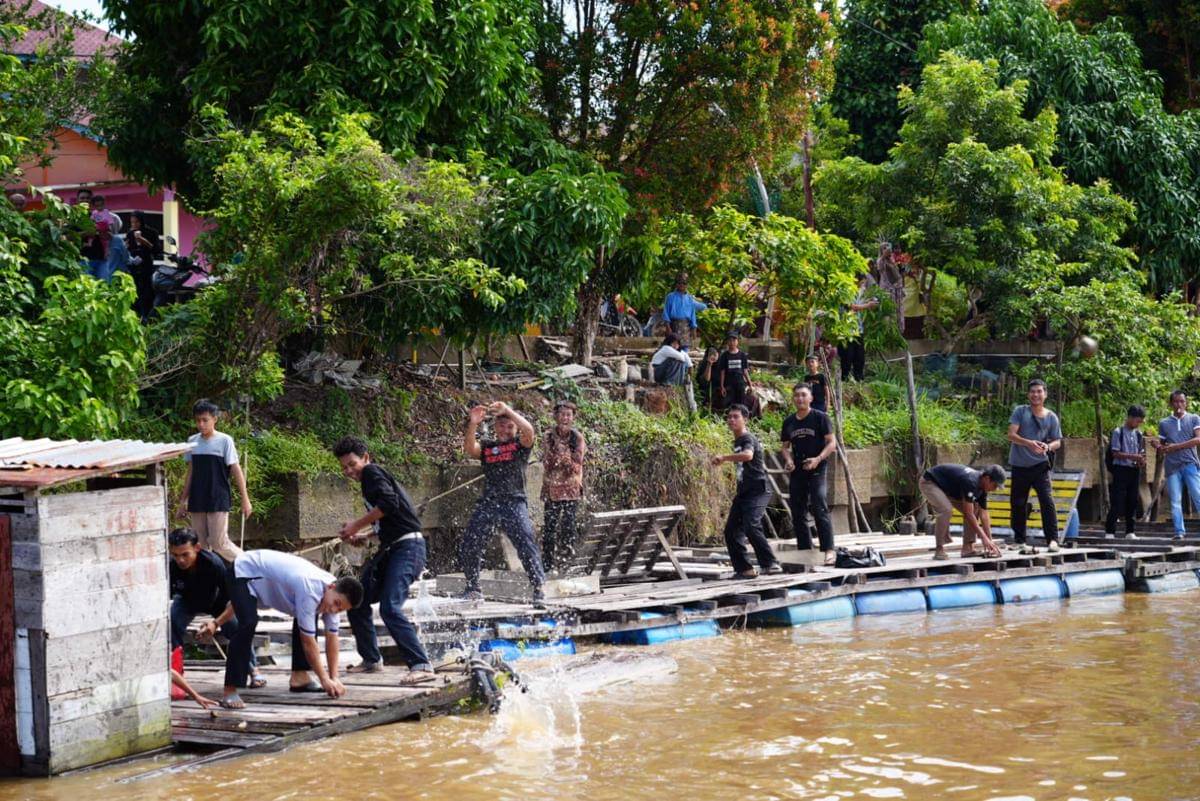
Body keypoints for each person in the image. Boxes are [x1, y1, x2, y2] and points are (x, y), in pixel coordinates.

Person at [333, 436, 433, 676]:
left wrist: (356, 525)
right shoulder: (370, 479)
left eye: (352, 464)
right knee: (356, 600)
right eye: (344, 467)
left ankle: (421, 665)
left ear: (366, 458)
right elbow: (393, 518)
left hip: (408, 549)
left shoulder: (371, 473)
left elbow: (390, 503)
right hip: (391, 548)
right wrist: (366, 535)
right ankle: (371, 660)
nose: (349, 470)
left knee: (390, 608)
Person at [221, 549, 362, 709]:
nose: (334, 610)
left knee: (308, 617)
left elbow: (332, 637)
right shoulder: (310, 589)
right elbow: (308, 642)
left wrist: (334, 678)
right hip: (244, 571)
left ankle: (300, 678)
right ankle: (230, 691)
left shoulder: (332, 596)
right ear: (331, 587)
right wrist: (324, 680)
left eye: (340, 609)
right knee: (248, 623)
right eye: (336, 604)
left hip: (266, 582)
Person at [460, 401, 546, 603]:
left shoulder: (520, 446)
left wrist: (508, 411)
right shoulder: (489, 447)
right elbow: (470, 449)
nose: (505, 429)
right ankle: (473, 587)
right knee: (471, 542)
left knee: (525, 543)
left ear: (515, 429)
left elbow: (529, 431)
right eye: (501, 425)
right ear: (495, 427)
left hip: (514, 502)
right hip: (489, 502)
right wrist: (473, 423)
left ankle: (538, 588)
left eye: (510, 426)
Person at [167, 527, 263, 687]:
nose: (181, 560)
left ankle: (253, 669)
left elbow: (232, 598)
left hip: (217, 601)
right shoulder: (170, 566)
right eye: (176, 555)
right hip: (187, 601)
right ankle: (177, 672)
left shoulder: (213, 564)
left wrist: (216, 622)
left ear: (197, 548)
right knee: (172, 624)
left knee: (236, 627)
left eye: (185, 555)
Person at [179, 399, 254, 563]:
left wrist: (245, 498)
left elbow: (236, 469)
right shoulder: (192, 441)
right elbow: (190, 472)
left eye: (205, 420)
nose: (201, 424)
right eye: (198, 420)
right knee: (200, 545)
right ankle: (210, 580)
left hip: (218, 497)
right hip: (198, 498)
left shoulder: (225, 440)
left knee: (219, 542)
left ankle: (250, 563)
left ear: (215, 419)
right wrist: (183, 500)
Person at [712, 404, 781, 578]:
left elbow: (748, 455)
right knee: (731, 530)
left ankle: (771, 564)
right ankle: (744, 569)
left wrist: (724, 458)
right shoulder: (737, 441)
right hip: (744, 492)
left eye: (736, 417)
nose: (731, 420)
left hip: (758, 489)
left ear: (745, 419)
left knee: (751, 524)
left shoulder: (747, 438)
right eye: (729, 417)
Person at [781, 384, 839, 565]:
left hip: (818, 467)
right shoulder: (789, 422)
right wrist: (789, 460)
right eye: (797, 395)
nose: (800, 399)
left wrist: (818, 459)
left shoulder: (820, 418)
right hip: (798, 468)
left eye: (803, 395)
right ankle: (805, 549)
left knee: (819, 505)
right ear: (793, 399)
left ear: (811, 398)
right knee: (797, 510)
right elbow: (784, 447)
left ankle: (829, 550)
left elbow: (832, 443)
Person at [1007, 378, 1063, 553]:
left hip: (1040, 466)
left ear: (1045, 394)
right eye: (1033, 391)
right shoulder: (1020, 411)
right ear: (1028, 394)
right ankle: (1019, 539)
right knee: (1018, 503)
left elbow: (1058, 442)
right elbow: (1011, 435)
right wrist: (1028, 443)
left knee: (1047, 501)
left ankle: (1053, 540)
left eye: (1039, 391)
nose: (1036, 395)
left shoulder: (1051, 416)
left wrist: (1048, 447)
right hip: (1019, 465)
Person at [919, 464, 1006, 560]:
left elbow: (984, 515)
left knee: (975, 508)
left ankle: (967, 549)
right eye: (995, 485)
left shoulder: (982, 489)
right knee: (946, 510)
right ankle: (939, 549)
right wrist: (983, 538)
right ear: (987, 478)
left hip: (949, 490)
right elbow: (968, 514)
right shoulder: (971, 481)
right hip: (930, 482)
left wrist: (990, 542)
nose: (995, 489)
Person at [541, 401, 587, 573]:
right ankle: (546, 566)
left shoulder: (577, 438)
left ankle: (566, 564)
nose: (565, 418)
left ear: (573, 418)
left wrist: (563, 458)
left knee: (568, 528)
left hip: (571, 490)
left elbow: (577, 464)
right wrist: (563, 458)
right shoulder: (548, 436)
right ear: (555, 416)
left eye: (568, 415)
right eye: (561, 414)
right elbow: (548, 462)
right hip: (551, 490)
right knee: (550, 528)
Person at [1155, 390, 1200, 540]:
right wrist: (1157, 446)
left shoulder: (1194, 418)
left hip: (1190, 464)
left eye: (1182, 401)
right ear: (1171, 403)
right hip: (1172, 466)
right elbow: (1163, 447)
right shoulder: (1164, 423)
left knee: (1198, 496)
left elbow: (1198, 440)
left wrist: (1176, 446)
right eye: (1176, 401)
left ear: (1186, 403)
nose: (1179, 404)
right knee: (1175, 501)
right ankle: (1179, 532)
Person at [1105, 405, 1146, 538]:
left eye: (1140, 422)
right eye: (1137, 421)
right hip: (1120, 469)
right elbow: (1115, 453)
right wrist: (1133, 456)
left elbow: (1140, 452)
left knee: (1132, 500)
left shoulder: (1139, 434)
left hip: (1134, 470)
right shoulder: (1118, 432)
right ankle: (1110, 531)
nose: (1138, 424)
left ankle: (1130, 531)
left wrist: (1140, 460)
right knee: (1117, 500)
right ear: (1130, 418)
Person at [838, 273, 878, 382]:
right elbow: (852, 307)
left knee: (860, 357)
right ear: (856, 281)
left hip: (858, 330)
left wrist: (873, 302)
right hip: (846, 331)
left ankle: (859, 379)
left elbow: (871, 300)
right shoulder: (845, 292)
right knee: (847, 357)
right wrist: (868, 305)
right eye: (862, 282)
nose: (863, 285)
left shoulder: (861, 292)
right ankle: (844, 379)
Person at [127, 211, 161, 320]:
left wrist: (143, 240)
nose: (134, 225)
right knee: (135, 291)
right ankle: (136, 315)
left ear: (141, 221)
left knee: (147, 291)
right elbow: (128, 249)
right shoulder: (130, 233)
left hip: (146, 265)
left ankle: (147, 316)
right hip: (134, 266)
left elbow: (156, 250)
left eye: (136, 222)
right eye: (132, 222)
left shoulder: (151, 232)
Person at [662, 273, 707, 350]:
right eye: (679, 282)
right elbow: (666, 313)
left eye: (684, 283)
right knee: (672, 350)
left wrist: (694, 329)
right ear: (676, 284)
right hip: (673, 326)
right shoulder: (670, 297)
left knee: (685, 351)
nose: (682, 285)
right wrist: (668, 328)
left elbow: (693, 315)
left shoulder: (689, 298)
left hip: (686, 327)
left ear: (687, 285)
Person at [717, 333, 752, 409]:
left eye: (734, 340)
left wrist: (750, 384)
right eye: (730, 340)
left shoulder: (742, 355)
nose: (732, 342)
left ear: (737, 341)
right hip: (729, 383)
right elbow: (722, 372)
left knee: (741, 403)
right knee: (729, 404)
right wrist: (722, 386)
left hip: (740, 383)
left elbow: (745, 371)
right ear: (727, 342)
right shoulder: (724, 355)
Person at [101, 214, 130, 281]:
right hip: (109, 276)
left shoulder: (116, 240)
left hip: (116, 276)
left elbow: (126, 258)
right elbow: (126, 258)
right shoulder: (113, 241)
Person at [697, 347, 721, 412]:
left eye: (715, 354)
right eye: (711, 354)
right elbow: (706, 380)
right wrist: (709, 364)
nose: (713, 356)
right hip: (705, 392)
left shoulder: (721, 364)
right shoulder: (704, 364)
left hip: (717, 393)